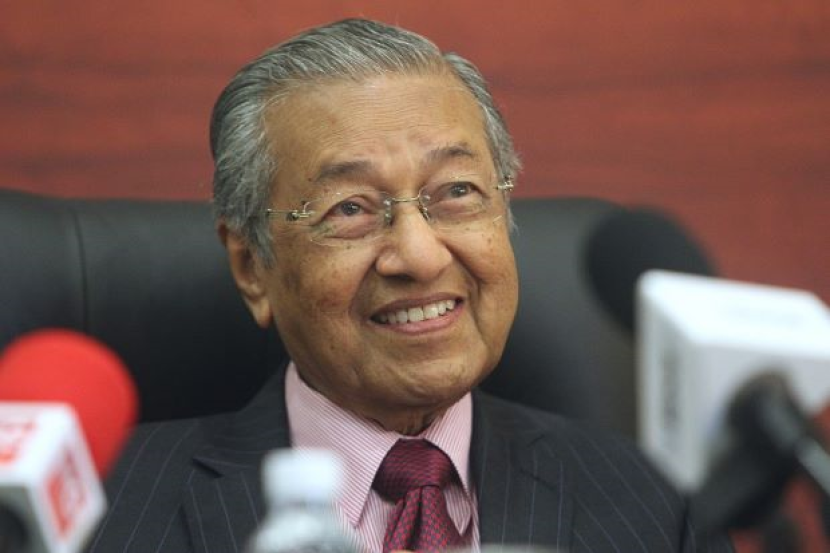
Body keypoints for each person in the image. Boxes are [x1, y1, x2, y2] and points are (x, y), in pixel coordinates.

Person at [86, 18, 733, 553]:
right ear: (252, 266)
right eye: (350, 208)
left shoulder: (656, 503)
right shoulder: (98, 512)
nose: (420, 256)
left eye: (457, 192)